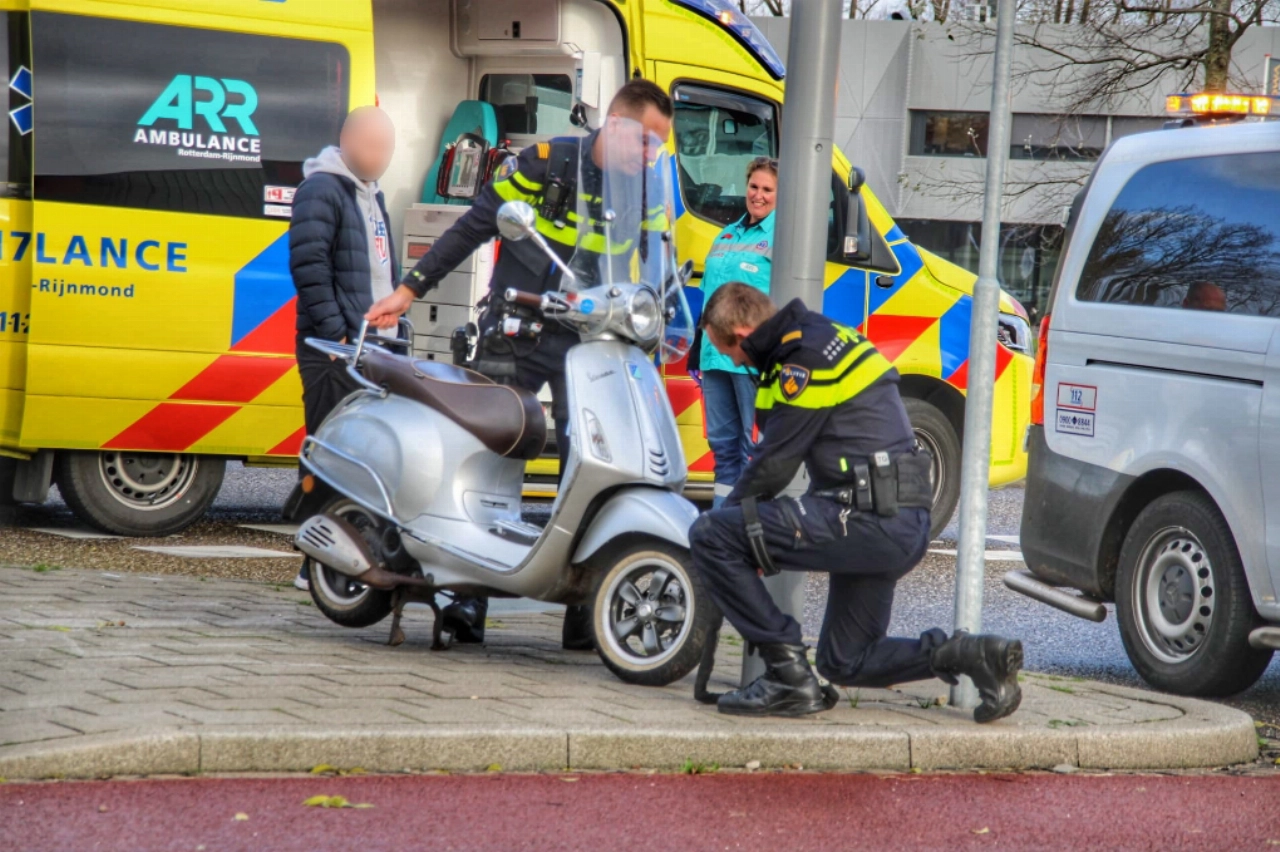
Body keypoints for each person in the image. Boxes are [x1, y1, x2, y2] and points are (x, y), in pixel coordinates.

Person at [364, 79, 675, 649]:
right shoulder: (546, 163)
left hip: (592, 338)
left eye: (660, 148)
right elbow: (474, 225)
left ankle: (587, 611)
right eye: (649, 143)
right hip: (519, 328)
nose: (654, 156)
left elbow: (658, 267)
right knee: (490, 452)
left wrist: (660, 324)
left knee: (593, 460)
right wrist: (409, 290)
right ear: (618, 125)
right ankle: (463, 602)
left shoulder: (650, 190)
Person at [688, 283, 1024, 722]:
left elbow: (774, 465)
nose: (732, 361)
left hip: (867, 516)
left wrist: (727, 523)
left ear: (744, 331)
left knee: (711, 534)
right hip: (895, 517)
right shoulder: (824, 337)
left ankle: (787, 675)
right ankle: (975, 655)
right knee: (844, 659)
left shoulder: (801, 359)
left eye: (727, 349)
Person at [288, 106, 399, 592]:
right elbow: (309, 267)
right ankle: (311, 563)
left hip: (370, 347)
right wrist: (335, 336)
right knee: (329, 453)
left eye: (388, 149)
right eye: (373, 147)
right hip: (333, 348)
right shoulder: (322, 189)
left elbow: (379, 272)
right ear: (348, 141)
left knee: (362, 457)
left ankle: (348, 558)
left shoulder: (372, 195)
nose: (381, 157)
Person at [689, 157, 777, 508]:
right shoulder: (726, 234)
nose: (758, 195)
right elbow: (710, 293)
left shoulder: (782, 237)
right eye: (754, 187)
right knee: (723, 447)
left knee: (752, 447)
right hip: (715, 356)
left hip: (750, 358)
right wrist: (699, 343)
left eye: (767, 189)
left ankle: (751, 528)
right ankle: (724, 523)